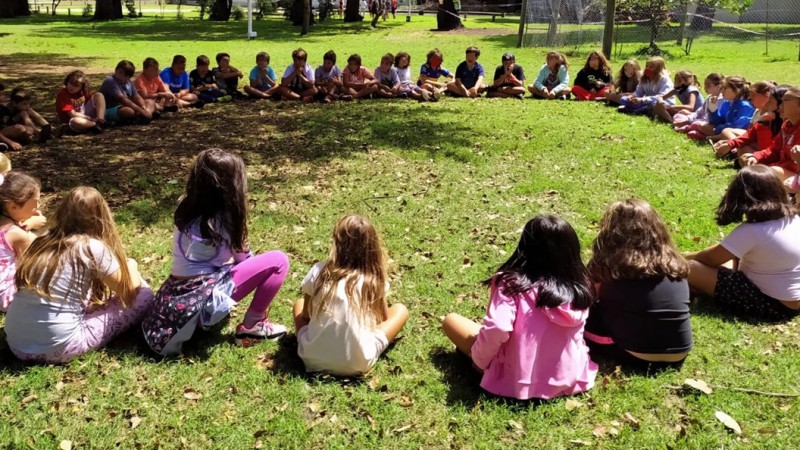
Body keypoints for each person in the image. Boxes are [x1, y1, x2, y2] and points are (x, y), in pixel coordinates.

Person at [142, 149, 290, 356]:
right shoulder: (227, 217)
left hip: (177, 300)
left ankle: (207, 321)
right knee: (278, 261)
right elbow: (244, 260)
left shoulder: (185, 206)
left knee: (227, 268)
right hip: (202, 304)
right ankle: (253, 326)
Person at [441, 215, 597, 400]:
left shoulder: (511, 284)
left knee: (451, 321)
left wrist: (479, 361)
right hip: (570, 376)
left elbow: (498, 328)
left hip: (516, 379)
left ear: (526, 247)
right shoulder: (580, 285)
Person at [5, 187, 153, 363]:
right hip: (61, 347)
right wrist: (132, 266)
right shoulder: (91, 246)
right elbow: (128, 290)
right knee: (143, 295)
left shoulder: (41, 240)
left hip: (16, 345)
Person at [584, 199, 692, 372]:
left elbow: (585, 296)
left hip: (635, 354)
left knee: (580, 318)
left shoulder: (609, 264)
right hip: (680, 352)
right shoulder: (674, 263)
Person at [293, 214, 408, 376]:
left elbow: (306, 315)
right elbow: (382, 319)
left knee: (298, 304)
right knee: (400, 310)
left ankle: (321, 344)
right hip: (360, 363)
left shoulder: (318, 271)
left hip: (312, 359)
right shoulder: (374, 278)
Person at [687, 165, 800, 322]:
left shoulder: (752, 230)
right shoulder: (793, 219)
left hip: (771, 305)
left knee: (689, 267)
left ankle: (695, 285)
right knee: (729, 254)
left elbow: (708, 259)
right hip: (792, 302)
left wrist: (682, 256)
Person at [738, 86, 800, 192]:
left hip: (795, 174)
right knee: (746, 158)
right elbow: (774, 150)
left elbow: (794, 164)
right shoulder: (787, 125)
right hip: (782, 169)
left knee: (773, 171)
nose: (780, 105)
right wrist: (756, 157)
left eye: (785, 101)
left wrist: (770, 166)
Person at [0, 171, 46, 312]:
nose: (37, 208)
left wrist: (28, 224)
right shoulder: (18, 235)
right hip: (7, 298)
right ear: (13, 206)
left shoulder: (8, 229)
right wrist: (29, 228)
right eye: (35, 203)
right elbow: (39, 259)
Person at [714, 83, 785, 160]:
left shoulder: (783, 123)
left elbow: (767, 148)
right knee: (734, 138)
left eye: (770, 100)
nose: (751, 99)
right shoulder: (763, 114)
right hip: (762, 150)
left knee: (743, 147)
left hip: (769, 156)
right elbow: (750, 133)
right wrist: (730, 144)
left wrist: (763, 124)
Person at [688, 75, 755, 142]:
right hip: (722, 129)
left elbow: (737, 126)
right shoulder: (726, 103)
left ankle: (708, 138)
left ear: (736, 90)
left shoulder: (745, 106)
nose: (722, 91)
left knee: (725, 132)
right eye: (722, 88)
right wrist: (713, 109)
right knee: (702, 125)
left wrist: (718, 128)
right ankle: (712, 137)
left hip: (735, 132)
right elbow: (717, 121)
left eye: (725, 88)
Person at [99, 60, 152, 124]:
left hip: (126, 106)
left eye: (125, 76)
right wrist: (141, 110)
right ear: (116, 70)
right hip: (110, 109)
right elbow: (122, 99)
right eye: (120, 72)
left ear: (129, 78)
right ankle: (142, 116)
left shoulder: (129, 83)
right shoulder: (110, 81)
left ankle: (146, 115)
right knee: (129, 111)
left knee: (150, 102)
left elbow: (136, 96)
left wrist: (143, 107)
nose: (121, 76)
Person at [55, 70, 107, 135]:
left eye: (76, 85)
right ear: (67, 81)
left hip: (85, 116)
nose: (71, 87)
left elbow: (94, 100)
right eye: (70, 83)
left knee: (99, 95)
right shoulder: (63, 94)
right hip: (72, 120)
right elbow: (72, 114)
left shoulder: (82, 92)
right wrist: (89, 118)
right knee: (75, 121)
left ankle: (100, 121)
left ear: (81, 87)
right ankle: (94, 125)